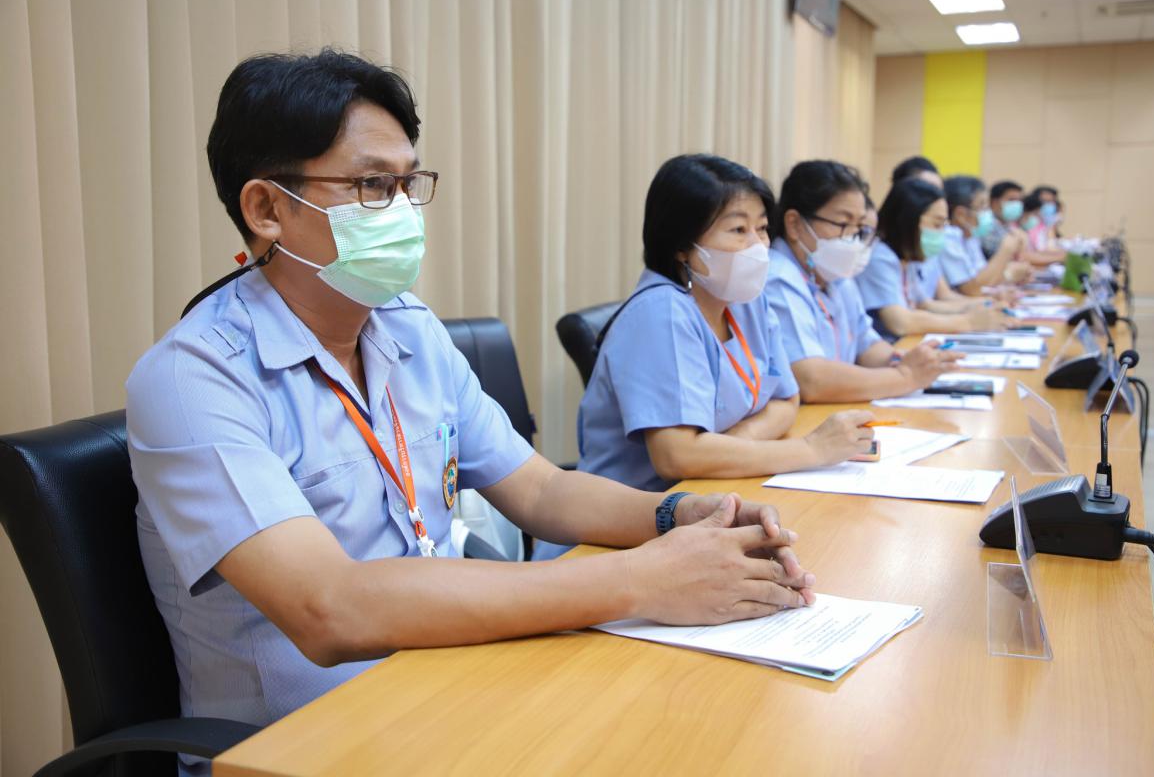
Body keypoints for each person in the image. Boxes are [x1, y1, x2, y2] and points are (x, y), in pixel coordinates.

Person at [126, 51, 815, 758]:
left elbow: (541, 490)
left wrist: (676, 514)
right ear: (267, 209)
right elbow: (329, 609)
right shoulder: (193, 380)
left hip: (455, 687)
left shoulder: (408, 328)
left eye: (407, 183)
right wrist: (641, 579)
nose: (401, 211)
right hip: (305, 750)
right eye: (372, 186)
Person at [547, 155, 874, 559]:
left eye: (762, 228)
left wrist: (723, 448)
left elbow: (786, 400)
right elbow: (677, 456)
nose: (758, 245)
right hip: (620, 536)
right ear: (682, 245)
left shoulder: (746, 300)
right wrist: (811, 451)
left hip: (711, 504)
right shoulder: (662, 313)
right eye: (738, 229)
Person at [764, 159, 958, 403]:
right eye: (843, 224)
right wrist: (905, 377)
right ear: (794, 224)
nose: (853, 239)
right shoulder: (777, 277)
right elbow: (811, 380)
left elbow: (866, 345)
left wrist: (903, 360)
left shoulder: (834, 275)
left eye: (858, 227)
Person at [855, 178, 1006, 339]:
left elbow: (925, 304)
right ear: (908, 221)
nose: (942, 233)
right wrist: (968, 322)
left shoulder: (909, 258)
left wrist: (982, 305)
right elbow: (900, 322)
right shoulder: (880, 257)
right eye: (937, 225)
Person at [940, 175, 1031, 294]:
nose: (988, 214)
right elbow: (972, 290)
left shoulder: (970, 237)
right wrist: (1006, 250)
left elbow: (984, 277)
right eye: (982, 207)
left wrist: (1012, 274)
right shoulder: (947, 239)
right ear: (960, 215)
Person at [1017, 191, 1067, 265]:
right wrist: (1058, 258)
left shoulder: (1041, 227)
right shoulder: (1017, 231)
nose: (1036, 218)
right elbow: (1025, 256)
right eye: (1035, 214)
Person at [980, 180, 1026, 258]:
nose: (1017, 205)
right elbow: (1007, 256)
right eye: (1012, 200)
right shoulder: (985, 224)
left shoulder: (1007, 225)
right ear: (994, 202)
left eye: (1019, 201)